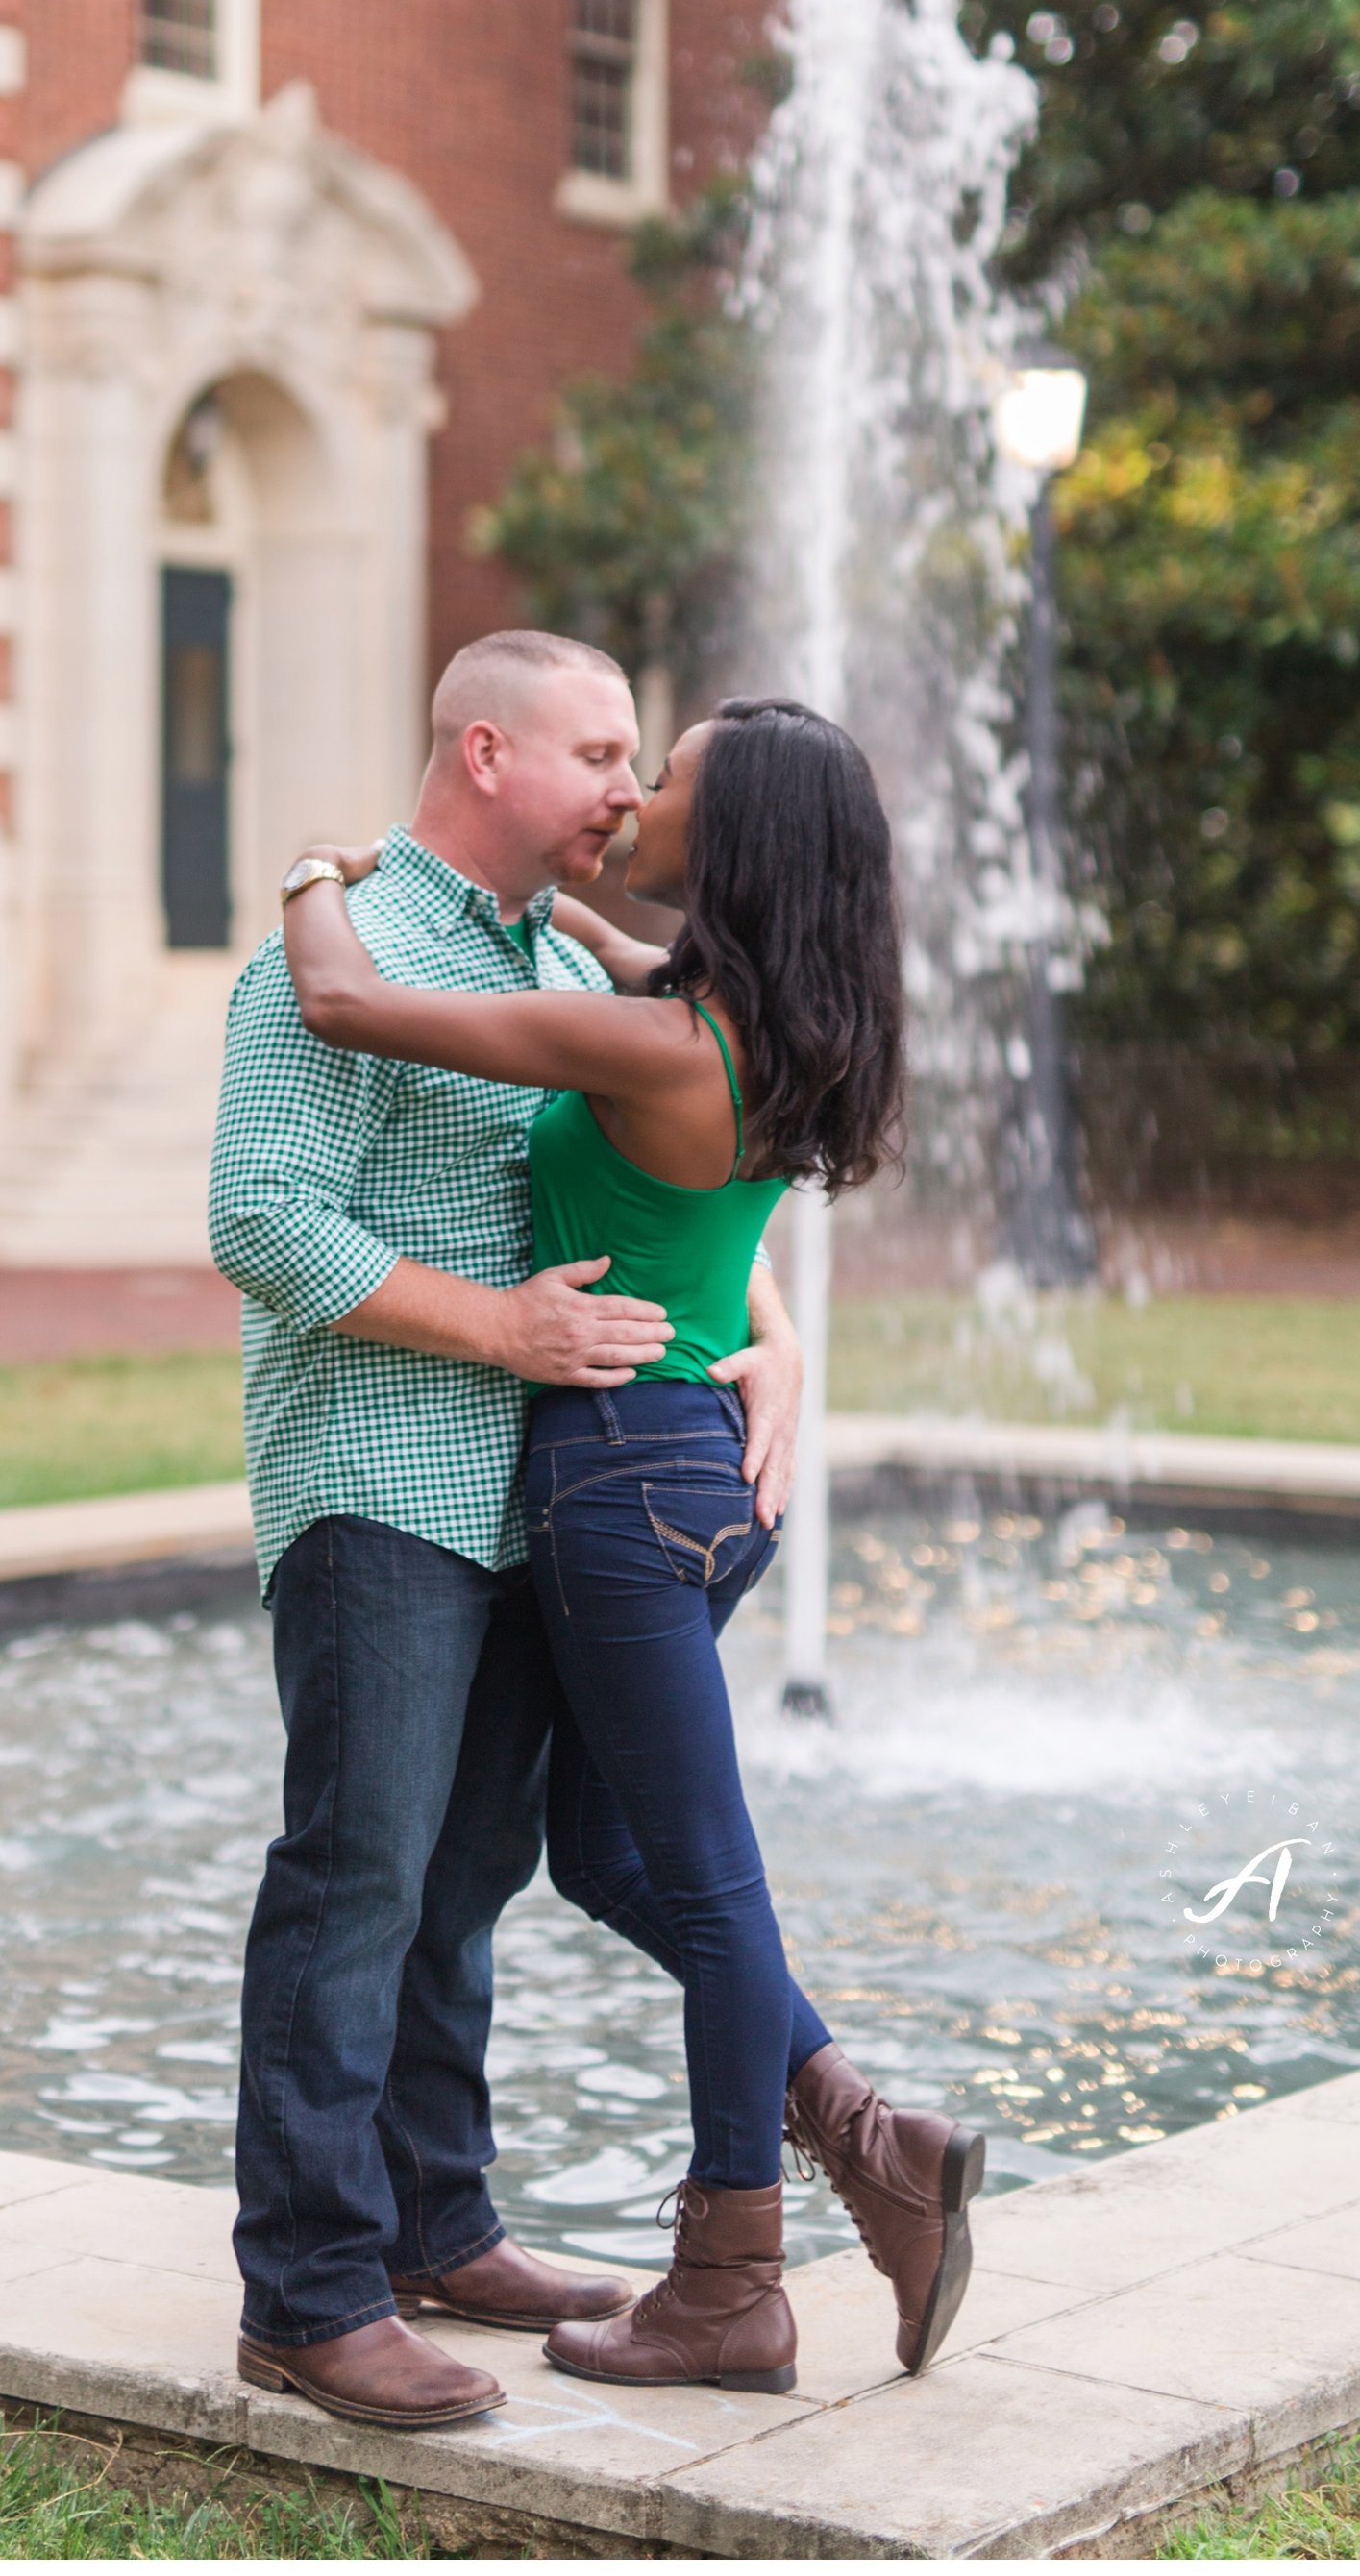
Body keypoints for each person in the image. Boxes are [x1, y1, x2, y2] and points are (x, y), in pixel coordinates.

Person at [280, 696, 985, 2396]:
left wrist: (314, 868)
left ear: (722, 838)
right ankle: (866, 2136)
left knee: (716, 1886)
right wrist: (575, 914)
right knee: (602, 1854)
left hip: (616, 1485)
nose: (636, 789)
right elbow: (610, 951)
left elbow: (347, 999)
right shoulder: (756, 1022)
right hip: (698, 1481)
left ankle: (733, 2273)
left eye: (661, 775)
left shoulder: (655, 1049)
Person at [209, 630, 808, 2431]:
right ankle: (305, 2289)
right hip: (383, 1474)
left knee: (466, 1879)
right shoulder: (335, 953)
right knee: (360, 1871)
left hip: (543, 1489)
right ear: (488, 752)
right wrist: (504, 1329)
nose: (630, 792)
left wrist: (769, 1332)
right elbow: (262, 1221)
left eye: (644, 759)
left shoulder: (557, 949)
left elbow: (664, 1155)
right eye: (602, 753)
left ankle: (434, 2222)